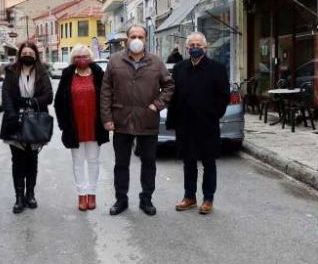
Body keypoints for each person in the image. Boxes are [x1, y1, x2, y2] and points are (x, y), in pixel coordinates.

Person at [100, 25, 175, 216]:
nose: (136, 39)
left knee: (149, 163)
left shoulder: (156, 61)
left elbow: (169, 86)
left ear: (145, 39)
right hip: (121, 120)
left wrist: (157, 105)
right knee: (121, 164)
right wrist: (107, 118)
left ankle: (146, 200)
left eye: (140, 36)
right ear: (126, 39)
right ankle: (121, 200)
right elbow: (106, 90)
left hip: (147, 120)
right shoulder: (115, 60)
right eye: (133, 36)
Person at [166, 32, 230, 215]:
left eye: (198, 44)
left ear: (205, 47)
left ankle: (208, 199)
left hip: (207, 124)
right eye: (191, 44)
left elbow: (223, 96)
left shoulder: (217, 68)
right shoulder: (179, 68)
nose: (195, 47)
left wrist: (213, 114)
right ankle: (189, 197)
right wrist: (173, 121)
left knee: (209, 162)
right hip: (185, 124)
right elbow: (174, 96)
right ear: (187, 48)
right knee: (188, 162)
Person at [0, 41, 54, 214]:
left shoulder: (42, 72)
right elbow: (6, 95)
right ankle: (19, 197)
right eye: (24, 53)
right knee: (17, 161)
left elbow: (49, 96)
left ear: (36, 55)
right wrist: (12, 113)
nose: (27, 55)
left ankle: (30, 194)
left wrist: (33, 101)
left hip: (36, 122)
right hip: (14, 120)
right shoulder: (11, 71)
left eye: (31, 53)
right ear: (20, 55)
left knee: (32, 160)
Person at [55, 44, 109, 211]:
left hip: (94, 125)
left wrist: (108, 120)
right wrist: (64, 125)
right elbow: (59, 102)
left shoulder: (99, 73)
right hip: (75, 126)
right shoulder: (68, 74)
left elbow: (107, 97)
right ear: (73, 59)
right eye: (78, 56)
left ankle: (92, 194)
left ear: (90, 58)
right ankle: (81, 194)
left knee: (93, 161)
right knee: (78, 162)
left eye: (85, 56)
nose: (82, 59)